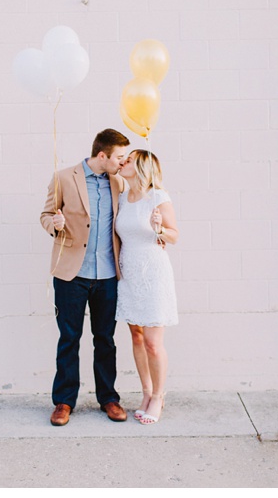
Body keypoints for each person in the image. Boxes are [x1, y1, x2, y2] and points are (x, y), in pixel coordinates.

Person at [40, 129, 130, 426]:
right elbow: (45, 214)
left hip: (107, 275)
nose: (123, 161)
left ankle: (109, 398)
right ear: (102, 155)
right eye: (119, 157)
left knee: (105, 339)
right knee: (69, 338)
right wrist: (54, 223)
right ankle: (64, 401)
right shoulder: (64, 177)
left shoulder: (119, 182)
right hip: (71, 274)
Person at [115, 149, 179, 425]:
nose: (122, 162)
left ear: (141, 167)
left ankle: (159, 396)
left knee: (153, 343)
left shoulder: (158, 197)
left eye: (128, 160)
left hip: (153, 273)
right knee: (137, 338)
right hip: (129, 274)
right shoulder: (121, 198)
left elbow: (174, 235)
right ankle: (146, 392)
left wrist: (159, 229)